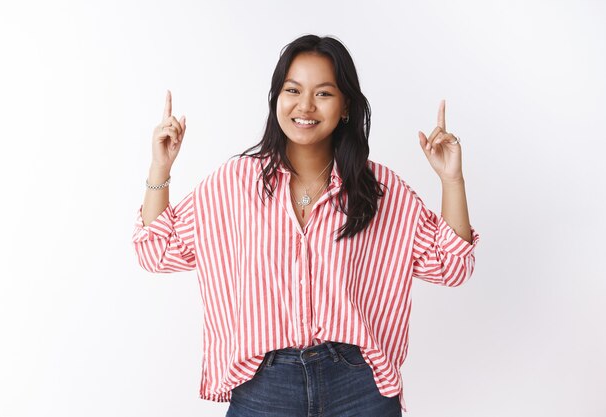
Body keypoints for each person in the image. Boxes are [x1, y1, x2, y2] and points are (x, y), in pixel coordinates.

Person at [132, 34, 480, 416]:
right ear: (276, 99)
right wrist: (160, 168)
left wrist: (452, 181)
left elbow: (452, 265)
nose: (305, 106)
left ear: (345, 105)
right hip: (264, 386)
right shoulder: (234, 183)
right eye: (292, 90)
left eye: (324, 93)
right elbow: (157, 251)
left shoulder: (378, 190)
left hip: (358, 388)